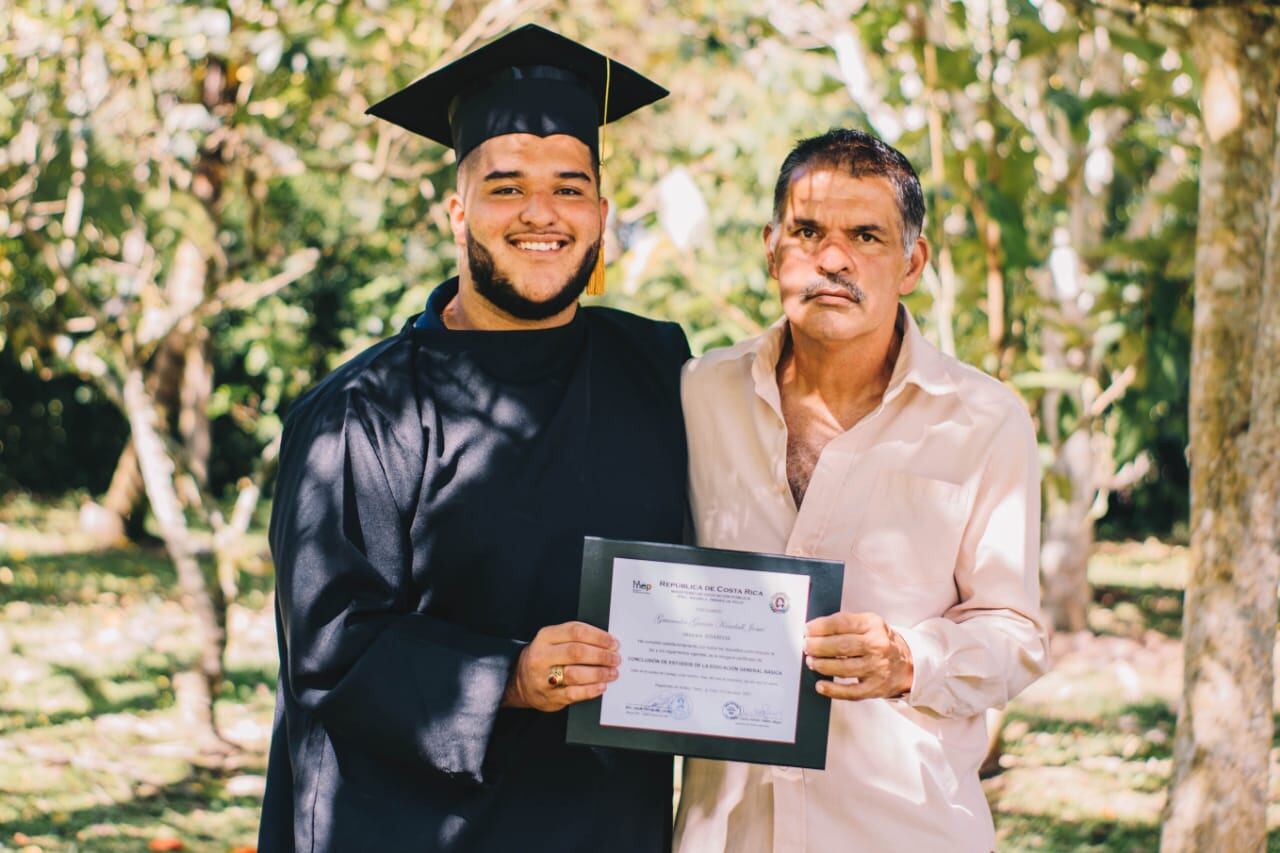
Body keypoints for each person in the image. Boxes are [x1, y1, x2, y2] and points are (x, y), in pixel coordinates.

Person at [256, 24, 689, 853]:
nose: (541, 213)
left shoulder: (655, 368)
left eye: (569, 187)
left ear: (601, 213)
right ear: (458, 211)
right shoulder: (360, 412)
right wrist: (511, 677)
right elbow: (330, 651)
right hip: (411, 827)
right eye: (505, 187)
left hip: (603, 826)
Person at [673, 129, 1050, 852]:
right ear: (772, 248)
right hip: (727, 833)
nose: (833, 258)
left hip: (903, 831)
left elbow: (1017, 632)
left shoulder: (984, 418)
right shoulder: (698, 394)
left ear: (912, 262)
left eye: (866, 235)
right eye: (807, 230)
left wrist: (909, 658)